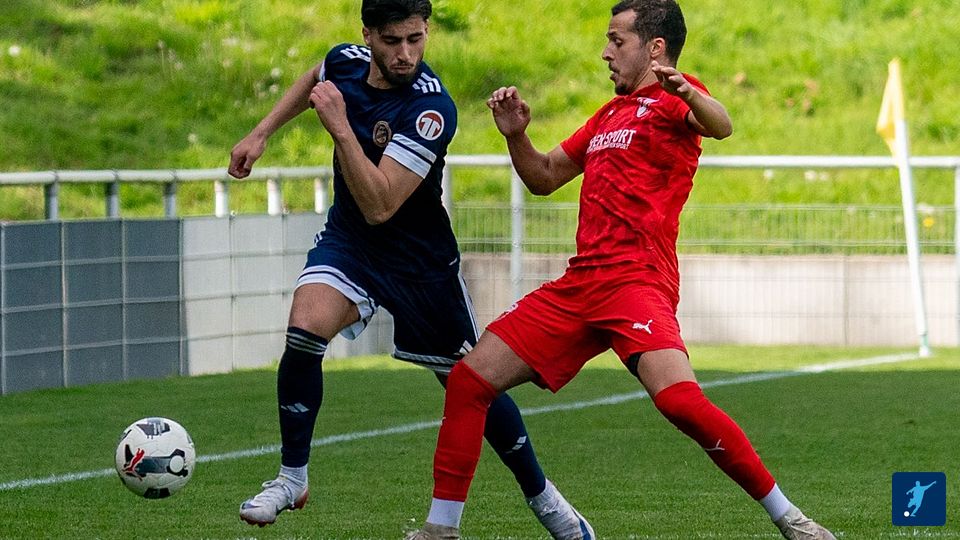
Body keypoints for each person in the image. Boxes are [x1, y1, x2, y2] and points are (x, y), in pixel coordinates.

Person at [406, 1, 836, 539]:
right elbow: (544, 177)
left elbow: (721, 125)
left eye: (617, 40)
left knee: (679, 401)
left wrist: (687, 92)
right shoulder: (608, 117)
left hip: (637, 281)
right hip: (581, 283)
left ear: (655, 48)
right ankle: (441, 530)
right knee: (469, 381)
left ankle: (791, 519)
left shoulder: (676, 98)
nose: (606, 53)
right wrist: (516, 136)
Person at [226, 0, 593, 537]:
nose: (406, 54)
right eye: (393, 41)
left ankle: (545, 499)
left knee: (471, 382)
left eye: (416, 39)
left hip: (420, 264)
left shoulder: (431, 108)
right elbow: (317, 78)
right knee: (304, 328)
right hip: (353, 245)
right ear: (368, 36)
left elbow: (381, 203)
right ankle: (291, 478)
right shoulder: (346, 61)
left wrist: (341, 130)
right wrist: (262, 132)